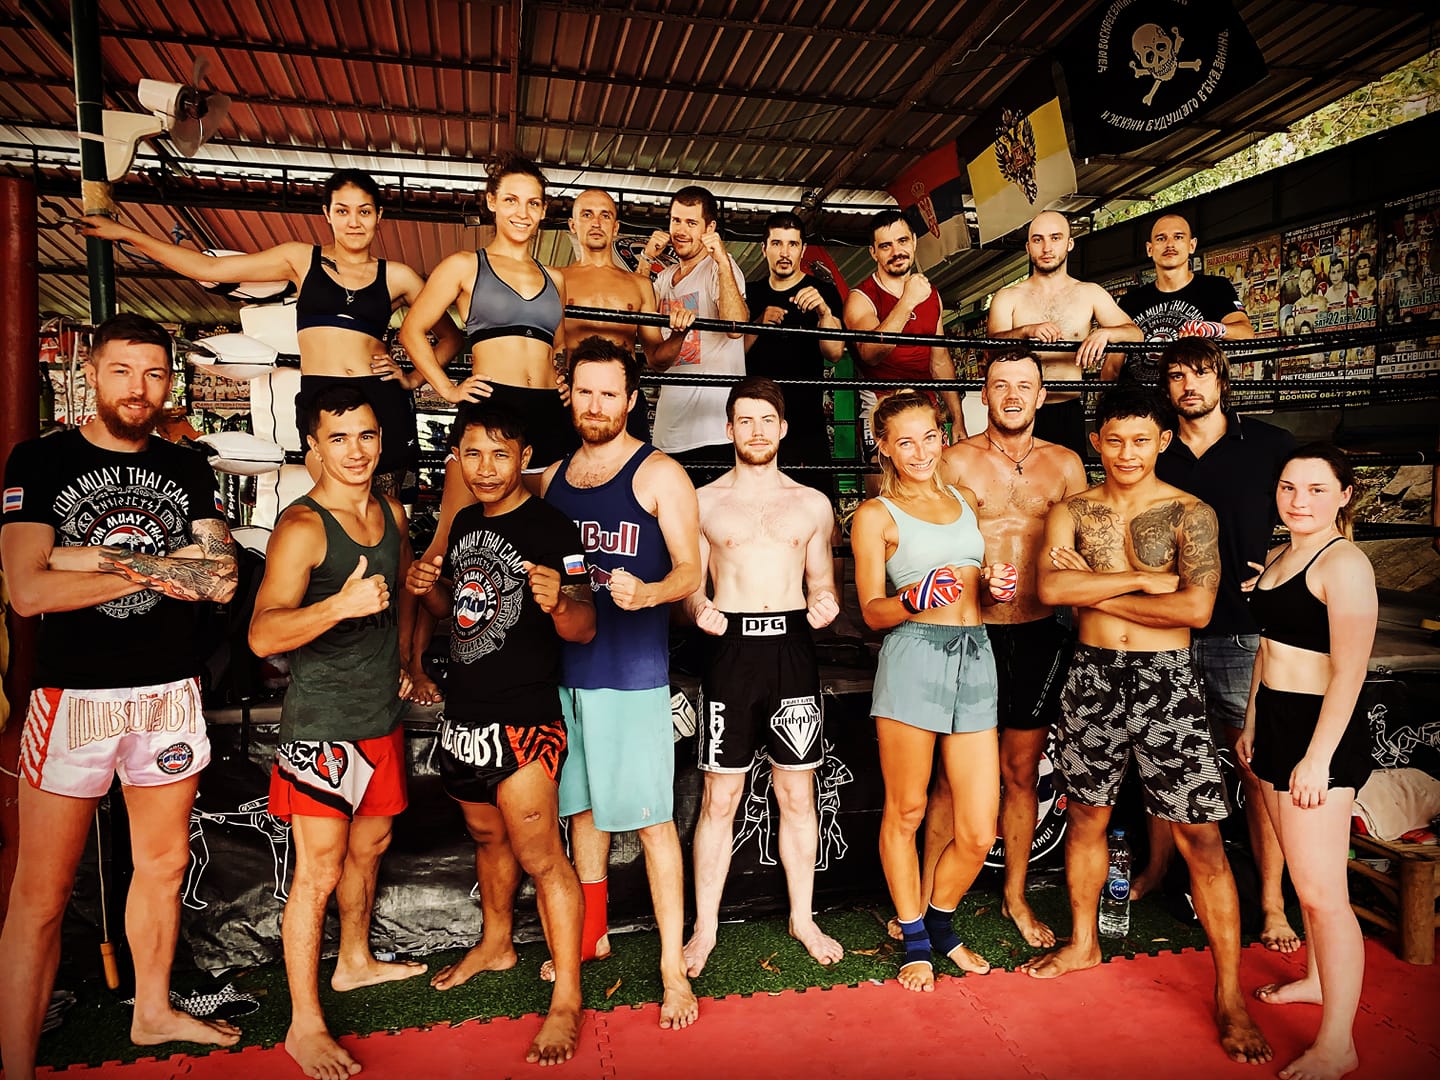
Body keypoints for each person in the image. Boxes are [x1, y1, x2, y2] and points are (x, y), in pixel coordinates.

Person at [0, 314, 241, 1079]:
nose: (139, 391)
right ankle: (15, 1064)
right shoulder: (39, 461)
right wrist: (152, 567)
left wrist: (84, 559)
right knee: (40, 894)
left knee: (163, 866)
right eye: (121, 373)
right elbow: (30, 590)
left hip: (168, 692)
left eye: (154, 375)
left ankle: (153, 1011)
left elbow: (221, 577)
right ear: (90, 377)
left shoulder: (186, 466)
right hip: (75, 699)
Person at [1024, 384, 1271, 1067]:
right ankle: (1082, 943)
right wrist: (1146, 580)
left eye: (1141, 440)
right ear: (1095, 441)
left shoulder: (1192, 513)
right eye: (1113, 439)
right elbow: (1052, 591)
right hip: (1092, 676)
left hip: (1167, 684)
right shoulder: (1071, 510)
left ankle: (1229, 997)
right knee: (1086, 817)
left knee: (1202, 837)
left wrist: (1106, 585)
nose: (1126, 453)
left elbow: (1195, 609)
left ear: (1162, 441)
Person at [80, 169, 462, 498]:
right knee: (338, 509)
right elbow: (208, 269)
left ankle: (396, 585)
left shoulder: (399, 276)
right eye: (343, 211)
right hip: (320, 394)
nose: (354, 222)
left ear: (379, 215)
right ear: (327, 214)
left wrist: (411, 379)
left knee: (389, 513)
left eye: (364, 212)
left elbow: (450, 337)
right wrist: (125, 233)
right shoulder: (299, 258)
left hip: (380, 398)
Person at [406, 400, 594, 1067]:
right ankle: (496, 943)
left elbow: (585, 625)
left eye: (500, 454)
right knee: (487, 837)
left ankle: (567, 996)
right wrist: (425, 587)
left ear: (523, 459)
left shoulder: (552, 529)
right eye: (473, 454)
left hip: (525, 721)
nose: (486, 469)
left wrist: (560, 602)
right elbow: (458, 612)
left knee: (543, 857)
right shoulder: (459, 522)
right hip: (465, 717)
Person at [248, 385, 426, 1080]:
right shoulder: (302, 527)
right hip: (322, 726)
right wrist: (339, 606)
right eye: (340, 438)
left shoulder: (388, 510)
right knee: (317, 872)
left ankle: (353, 962)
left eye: (367, 436)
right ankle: (303, 1024)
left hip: (381, 716)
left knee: (371, 847)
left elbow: (408, 591)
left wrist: (411, 661)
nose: (356, 452)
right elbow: (263, 633)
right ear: (312, 446)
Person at [541, 336, 702, 1029]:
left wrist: (653, 592)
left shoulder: (660, 473)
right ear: (568, 394)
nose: (598, 405)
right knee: (581, 816)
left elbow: (695, 572)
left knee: (655, 823)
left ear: (632, 400)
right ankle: (593, 933)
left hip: (632, 676)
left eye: (611, 394)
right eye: (586, 392)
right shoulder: (550, 478)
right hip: (564, 674)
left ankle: (672, 968)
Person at [850, 390, 1015, 992]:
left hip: (977, 657)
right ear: (886, 447)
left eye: (929, 436)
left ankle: (940, 922)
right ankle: (916, 938)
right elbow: (870, 612)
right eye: (905, 441)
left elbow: (975, 579)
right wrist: (916, 597)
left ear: (943, 436)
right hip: (915, 656)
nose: (919, 451)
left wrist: (993, 584)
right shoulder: (876, 515)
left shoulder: (964, 500)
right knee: (909, 810)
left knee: (977, 828)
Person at [680, 376, 844, 976]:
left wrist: (823, 602)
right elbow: (691, 587)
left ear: (782, 428)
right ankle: (705, 927)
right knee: (720, 797)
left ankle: (803, 916)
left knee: (797, 793)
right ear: (728, 430)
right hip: (732, 654)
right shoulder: (703, 500)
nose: (755, 431)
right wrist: (699, 609)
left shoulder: (812, 503)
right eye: (743, 421)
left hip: (793, 653)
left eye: (765, 421)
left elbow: (822, 582)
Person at [1143, 337, 1299, 956]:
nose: (1189, 386)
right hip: (1168, 629)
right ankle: (1158, 873)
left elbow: (1325, 512)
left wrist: (1282, 567)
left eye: (1201, 374)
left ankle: (1271, 902)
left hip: (1241, 630)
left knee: (1255, 764)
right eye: (1177, 376)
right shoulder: (1156, 449)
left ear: (1223, 380)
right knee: (1163, 758)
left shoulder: (1268, 444)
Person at [398, 155, 571, 704]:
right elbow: (412, 330)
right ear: (492, 202)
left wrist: (563, 382)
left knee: (539, 535)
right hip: (489, 409)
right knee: (448, 541)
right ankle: (416, 664)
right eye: (512, 199)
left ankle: (525, 652)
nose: (523, 211)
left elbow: (556, 347)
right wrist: (446, 389)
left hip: (547, 414)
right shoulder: (463, 266)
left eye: (534, 202)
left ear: (543, 212)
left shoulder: (556, 278)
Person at [939, 350, 1088, 947]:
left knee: (1021, 771)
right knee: (949, 779)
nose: (1012, 395)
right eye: (1000, 385)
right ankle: (929, 899)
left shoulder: (1067, 465)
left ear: (1042, 394)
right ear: (983, 391)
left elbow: (1091, 543)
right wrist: (973, 579)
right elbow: (926, 544)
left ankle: (1015, 896)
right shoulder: (954, 461)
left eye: (1024, 385)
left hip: (1039, 631)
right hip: (968, 630)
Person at [1242, 444, 1377, 1080]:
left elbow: (1350, 671)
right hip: (1276, 720)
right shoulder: (1278, 557)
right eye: (1289, 487)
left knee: (1325, 894)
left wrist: (1318, 757)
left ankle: (1338, 1044)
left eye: (1317, 490)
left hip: (1321, 731)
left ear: (1345, 495)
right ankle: (1320, 982)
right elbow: (1268, 650)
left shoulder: (1345, 564)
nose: (1299, 501)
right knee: (1306, 881)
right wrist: (1250, 723)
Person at [987, 211, 1141, 456]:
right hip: (1018, 410)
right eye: (1038, 240)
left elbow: (1135, 335)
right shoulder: (1008, 297)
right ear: (1028, 247)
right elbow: (992, 347)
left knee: (1070, 487)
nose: (1047, 247)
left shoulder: (1090, 293)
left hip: (1067, 408)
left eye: (1055, 238)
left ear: (1069, 243)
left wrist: (1106, 334)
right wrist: (1026, 331)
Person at [844, 210, 964, 494]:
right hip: (882, 410)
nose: (896, 251)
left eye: (901, 241)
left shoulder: (931, 294)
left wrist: (958, 418)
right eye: (886, 246)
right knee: (886, 497)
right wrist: (908, 300)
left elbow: (940, 360)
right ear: (873, 252)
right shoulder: (861, 297)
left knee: (935, 493)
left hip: (926, 410)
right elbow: (870, 353)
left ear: (913, 241)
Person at [644, 185, 749, 483]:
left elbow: (735, 328)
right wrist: (644, 260)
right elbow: (636, 317)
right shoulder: (663, 279)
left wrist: (722, 260)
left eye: (691, 223)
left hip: (714, 431)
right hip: (667, 432)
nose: (680, 230)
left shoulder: (721, 270)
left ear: (709, 228)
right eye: (676, 220)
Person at [561, 188, 682, 442]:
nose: (596, 223)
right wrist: (554, 378)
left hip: (623, 399)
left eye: (605, 216)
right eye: (587, 214)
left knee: (631, 479)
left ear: (615, 227)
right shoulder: (555, 279)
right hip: (571, 396)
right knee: (562, 477)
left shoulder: (639, 285)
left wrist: (680, 335)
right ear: (573, 225)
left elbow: (657, 360)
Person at [744, 213, 847, 493]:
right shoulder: (749, 294)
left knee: (820, 508)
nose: (785, 252)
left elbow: (835, 352)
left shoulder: (823, 292)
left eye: (792, 244)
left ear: (802, 249)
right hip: (759, 421)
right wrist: (759, 324)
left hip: (807, 420)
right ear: (763, 248)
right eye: (777, 243)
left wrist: (824, 312)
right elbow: (732, 354)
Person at [1113, 213, 1255, 386]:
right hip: (1140, 406)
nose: (1170, 244)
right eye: (1161, 238)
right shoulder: (1131, 300)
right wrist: (1105, 405)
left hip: (1191, 399)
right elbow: (1113, 364)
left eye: (1178, 237)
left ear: (1192, 245)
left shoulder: (1216, 288)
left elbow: (1246, 333)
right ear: (1150, 249)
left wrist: (1212, 329)